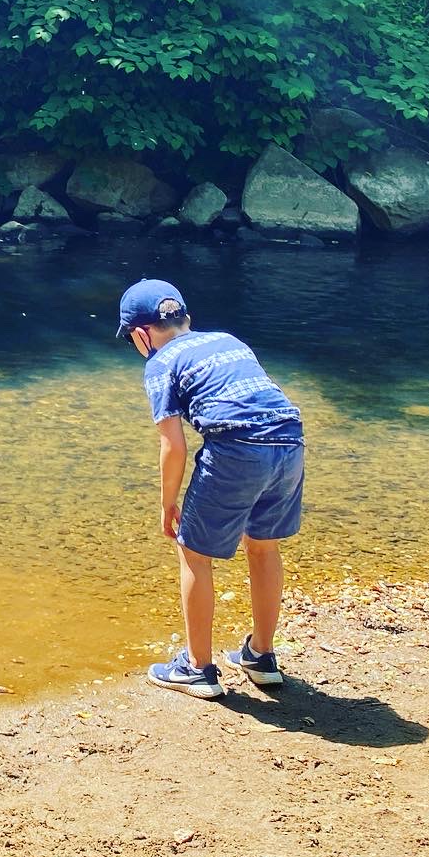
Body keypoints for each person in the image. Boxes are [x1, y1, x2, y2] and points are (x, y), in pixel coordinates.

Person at [118, 279, 305, 699]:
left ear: (141, 334)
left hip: (237, 447)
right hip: (289, 440)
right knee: (263, 546)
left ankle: (196, 668)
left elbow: (173, 444)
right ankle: (261, 655)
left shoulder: (160, 363)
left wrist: (167, 503)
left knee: (193, 553)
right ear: (185, 318)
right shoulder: (227, 339)